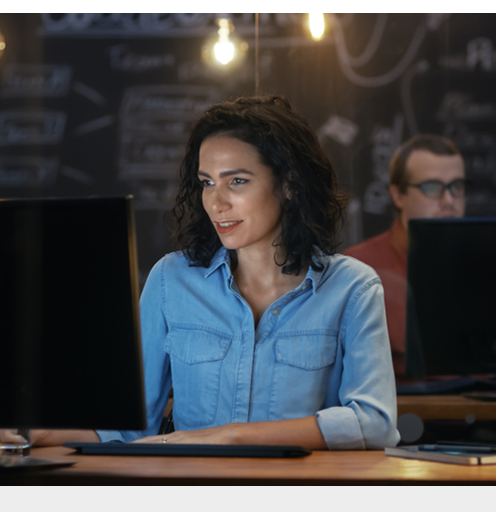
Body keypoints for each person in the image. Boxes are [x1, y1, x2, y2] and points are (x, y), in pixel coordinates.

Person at [22, 95, 399, 450]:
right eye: (207, 182)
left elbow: (374, 422)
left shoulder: (353, 287)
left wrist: (231, 436)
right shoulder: (171, 280)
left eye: (237, 181)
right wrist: (32, 433)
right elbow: (129, 427)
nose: (216, 202)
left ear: (289, 184)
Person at [343, 134, 466, 381]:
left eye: (457, 187)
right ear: (398, 195)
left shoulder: (486, 268)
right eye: (432, 188)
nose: (449, 201)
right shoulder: (356, 269)